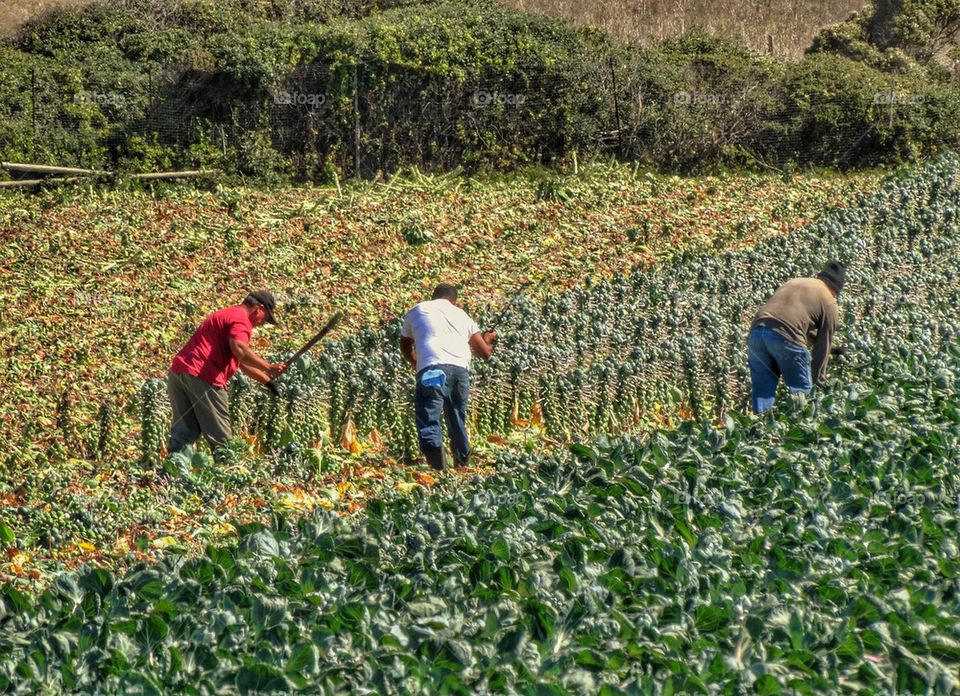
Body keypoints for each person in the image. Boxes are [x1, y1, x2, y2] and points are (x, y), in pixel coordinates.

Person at [167, 290, 286, 455]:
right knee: (221, 438)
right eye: (264, 319)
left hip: (179, 373)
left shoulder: (227, 314)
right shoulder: (241, 320)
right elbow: (240, 349)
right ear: (258, 308)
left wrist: (267, 381)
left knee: (184, 432)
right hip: (204, 376)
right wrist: (268, 367)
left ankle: (170, 475)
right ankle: (227, 474)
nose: (261, 324)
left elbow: (242, 362)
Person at [400, 284, 497, 470]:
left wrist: (415, 362)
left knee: (429, 414)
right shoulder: (462, 315)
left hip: (432, 368)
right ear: (454, 301)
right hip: (460, 370)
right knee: (456, 415)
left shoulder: (418, 309)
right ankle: (461, 464)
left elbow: (405, 344)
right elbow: (485, 353)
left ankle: (438, 466)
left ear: (433, 297)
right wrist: (488, 339)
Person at [747, 262, 845, 414]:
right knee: (802, 396)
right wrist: (818, 381)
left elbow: (791, 323)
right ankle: (803, 431)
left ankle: (759, 430)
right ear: (835, 290)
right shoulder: (829, 301)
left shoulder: (794, 281)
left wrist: (834, 350)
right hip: (786, 338)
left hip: (756, 335)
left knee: (762, 393)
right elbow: (822, 345)